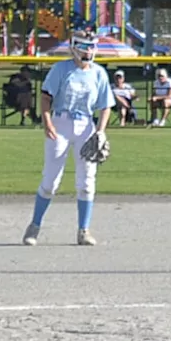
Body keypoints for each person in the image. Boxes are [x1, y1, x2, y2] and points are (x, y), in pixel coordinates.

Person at [23, 31, 114, 246]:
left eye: (92, 46)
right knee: (50, 181)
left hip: (86, 126)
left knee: (87, 181)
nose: (88, 51)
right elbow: (46, 98)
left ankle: (83, 230)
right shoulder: (61, 69)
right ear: (73, 47)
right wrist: (47, 122)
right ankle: (34, 226)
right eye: (84, 46)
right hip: (61, 124)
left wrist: (100, 131)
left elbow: (105, 106)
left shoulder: (99, 73)